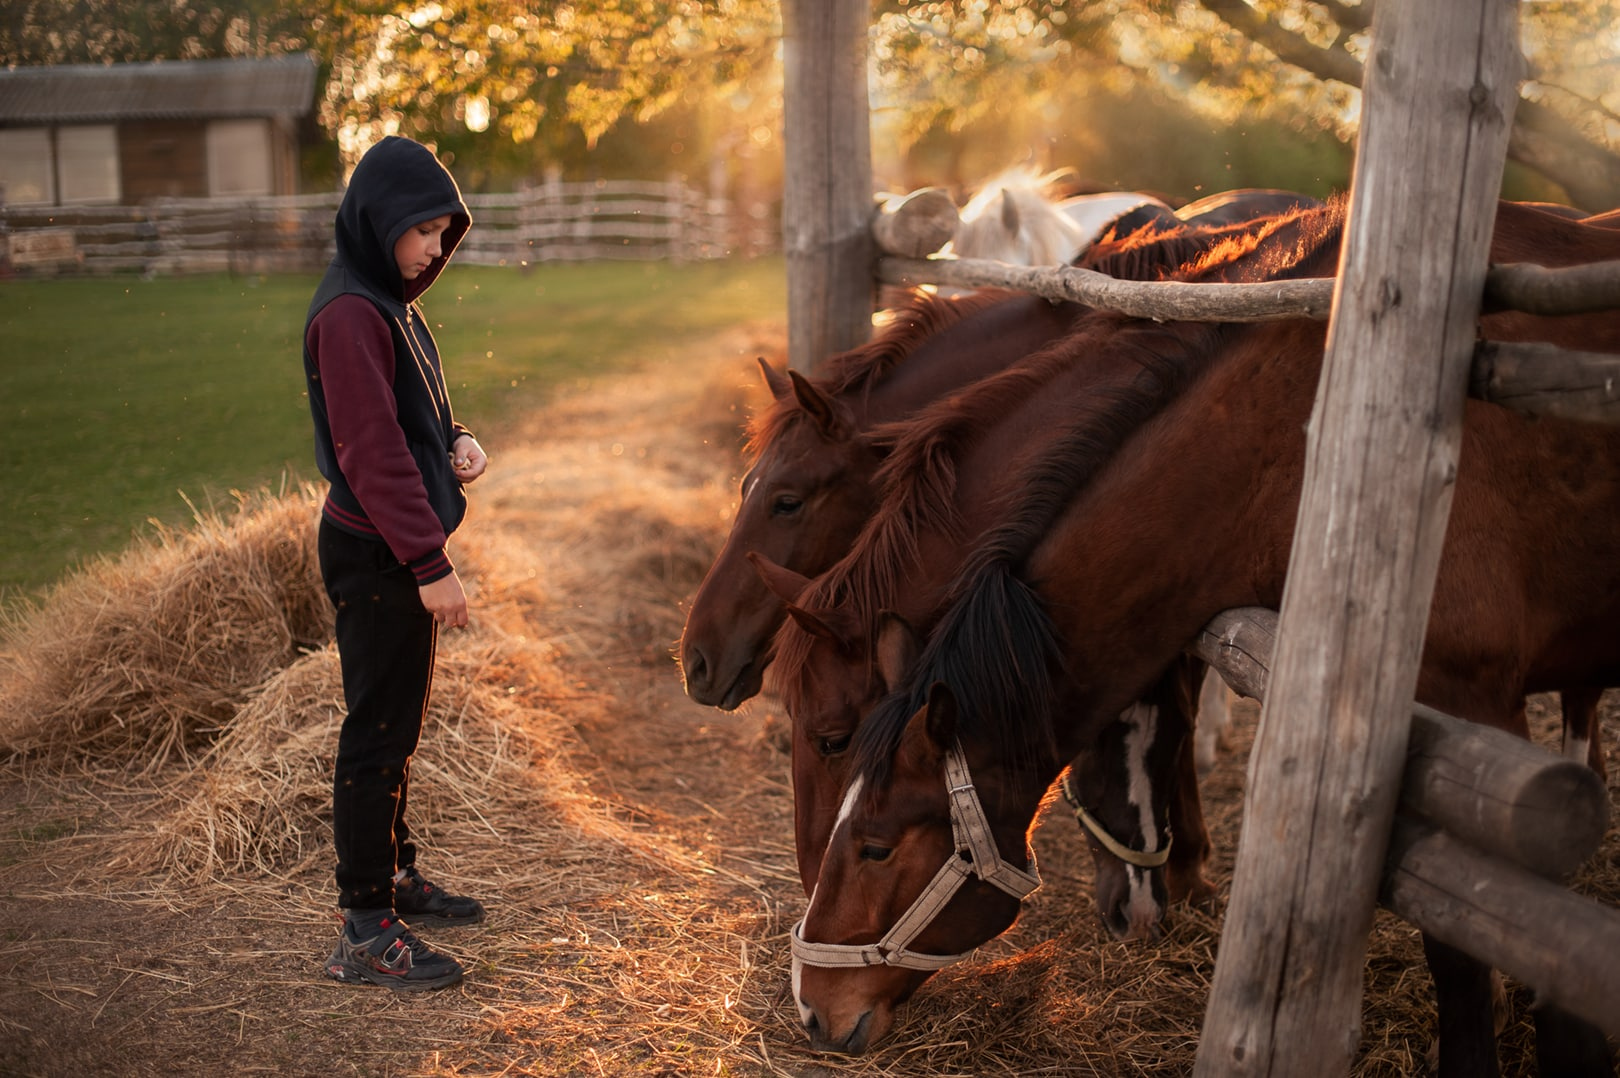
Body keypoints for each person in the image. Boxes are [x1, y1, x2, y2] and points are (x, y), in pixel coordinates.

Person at [300, 135, 490, 991]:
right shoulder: (348, 313)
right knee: (376, 734)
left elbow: (412, 410)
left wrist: (455, 437)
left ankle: (395, 872)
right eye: (422, 231)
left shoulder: (389, 302)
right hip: (376, 552)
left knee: (398, 726)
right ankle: (365, 927)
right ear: (379, 223)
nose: (433, 249)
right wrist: (428, 562)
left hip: (396, 548)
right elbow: (372, 452)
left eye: (444, 233)